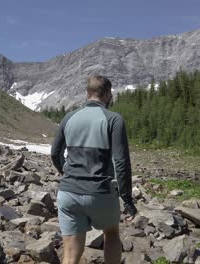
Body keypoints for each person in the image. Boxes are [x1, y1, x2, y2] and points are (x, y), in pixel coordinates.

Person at [51, 75, 137, 264]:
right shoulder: (114, 119)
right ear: (107, 94)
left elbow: (55, 153)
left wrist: (66, 173)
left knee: (71, 254)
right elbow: (121, 162)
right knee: (112, 233)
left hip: (68, 193)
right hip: (101, 192)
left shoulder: (69, 117)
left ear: (87, 93)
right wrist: (127, 198)